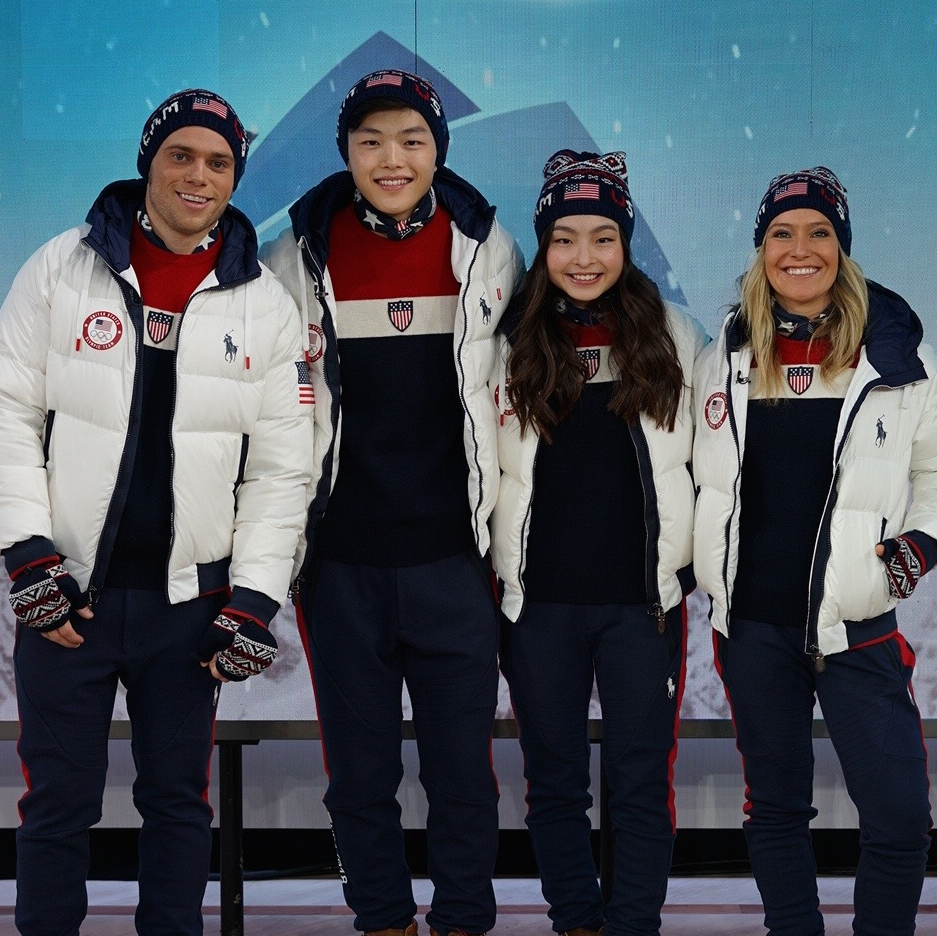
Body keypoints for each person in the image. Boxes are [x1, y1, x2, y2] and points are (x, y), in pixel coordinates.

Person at [0, 89, 313, 936]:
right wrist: (29, 556)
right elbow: (8, 413)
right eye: (181, 155)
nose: (198, 176)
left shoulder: (264, 304)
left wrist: (253, 600)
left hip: (192, 610)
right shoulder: (60, 268)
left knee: (177, 804)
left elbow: (284, 471)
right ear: (149, 163)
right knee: (56, 804)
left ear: (236, 177)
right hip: (67, 602)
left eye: (218, 163)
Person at [261, 69, 524, 936]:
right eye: (370, 141)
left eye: (411, 140)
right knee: (360, 774)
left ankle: (462, 920)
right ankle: (381, 919)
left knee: (463, 771)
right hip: (341, 566)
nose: (391, 158)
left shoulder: (487, 249)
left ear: (437, 149)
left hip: (454, 560)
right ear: (344, 150)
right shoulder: (293, 255)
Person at [693, 166, 936, 936]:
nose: (800, 250)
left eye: (818, 232)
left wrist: (911, 553)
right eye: (780, 234)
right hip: (755, 630)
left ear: (843, 247)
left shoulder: (893, 361)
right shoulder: (726, 354)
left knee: (898, 816)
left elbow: (933, 470)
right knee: (776, 810)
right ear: (760, 249)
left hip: (856, 628)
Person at [490, 150, 707, 936]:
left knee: (640, 781)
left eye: (602, 238)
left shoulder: (673, 336)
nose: (584, 258)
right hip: (538, 609)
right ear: (542, 247)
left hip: (640, 611)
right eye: (564, 239)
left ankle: (633, 925)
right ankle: (577, 922)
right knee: (552, 783)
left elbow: (709, 467)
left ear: (625, 244)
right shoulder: (506, 341)